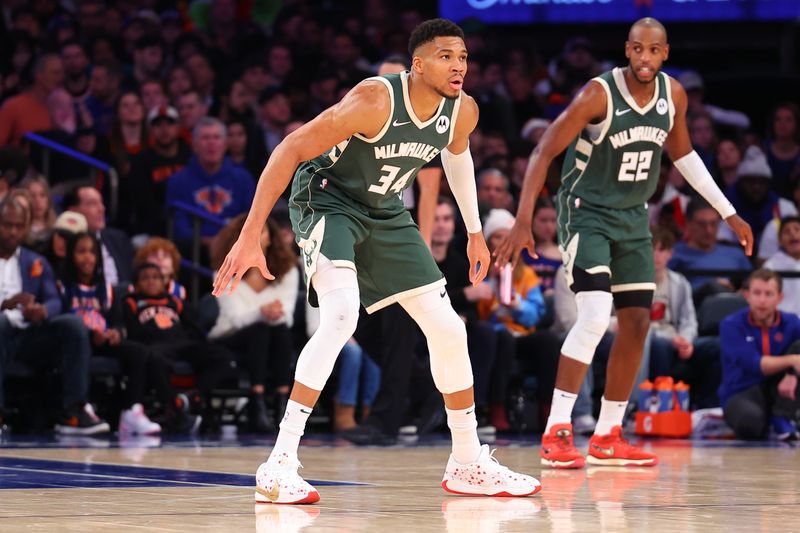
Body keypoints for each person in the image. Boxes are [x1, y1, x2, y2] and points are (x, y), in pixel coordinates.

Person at [214, 19, 540, 503]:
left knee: (450, 329)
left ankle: (469, 462)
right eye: (447, 56)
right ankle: (278, 461)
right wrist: (249, 234)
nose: (459, 66)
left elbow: (457, 155)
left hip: (385, 209)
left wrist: (474, 230)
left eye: (464, 57)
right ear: (419, 63)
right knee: (341, 314)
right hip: (326, 199)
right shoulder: (374, 100)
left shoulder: (462, 110)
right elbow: (290, 149)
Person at [495, 17, 753, 468]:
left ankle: (608, 435)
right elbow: (544, 150)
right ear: (627, 50)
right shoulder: (598, 94)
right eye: (637, 50)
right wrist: (522, 220)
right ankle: (558, 430)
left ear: (665, 53)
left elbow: (684, 155)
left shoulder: (674, 95)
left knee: (636, 322)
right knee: (595, 316)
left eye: (654, 51)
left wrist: (728, 211)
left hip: (633, 217)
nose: (645, 59)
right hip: (586, 211)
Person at [0, 197, 109, 435]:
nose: (12, 232)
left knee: (73, 324)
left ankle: (74, 411)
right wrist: (5, 304)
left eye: (18, 226)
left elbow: (54, 300)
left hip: (28, 335)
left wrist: (42, 310)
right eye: (7, 225)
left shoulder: (35, 260)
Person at [209, 215, 297, 434]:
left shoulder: (288, 271)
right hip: (230, 337)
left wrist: (272, 314)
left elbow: (288, 316)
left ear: (271, 238)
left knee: (277, 330)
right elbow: (236, 319)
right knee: (261, 330)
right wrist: (262, 312)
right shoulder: (224, 272)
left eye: (262, 231)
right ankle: (257, 402)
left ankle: (281, 402)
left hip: (273, 336)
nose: (257, 236)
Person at [719, 269, 800, 440]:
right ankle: (774, 422)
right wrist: (792, 360)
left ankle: (782, 417)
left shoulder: (792, 322)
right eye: (757, 293)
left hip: (780, 390)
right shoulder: (731, 324)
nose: (762, 300)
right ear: (747, 295)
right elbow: (755, 365)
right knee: (750, 424)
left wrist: (792, 373)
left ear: (780, 298)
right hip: (741, 390)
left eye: (769, 294)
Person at [63, 185, 134, 286]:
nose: (102, 209)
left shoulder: (119, 239)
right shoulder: (64, 243)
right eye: (92, 204)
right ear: (73, 211)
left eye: (101, 203)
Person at [763, 216, 800, 316]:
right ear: (780, 241)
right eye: (786, 231)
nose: (792, 233)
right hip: (782, 323)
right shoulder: (770, 266)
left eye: (797, 229)